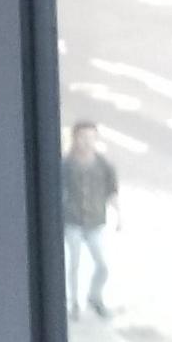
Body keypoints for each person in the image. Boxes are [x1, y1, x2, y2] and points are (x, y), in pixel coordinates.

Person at [63, 121, 121, 319]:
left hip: (95, 221)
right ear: (75, 139)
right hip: (72, 221)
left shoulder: (104, 165)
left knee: (102, 265)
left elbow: (112, 191)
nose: (86, 142)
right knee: (74, 264)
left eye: (90, 138)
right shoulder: (65, 165)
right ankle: (74, 305)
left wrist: (120, 215)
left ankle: (94, 297)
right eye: (82, 137)